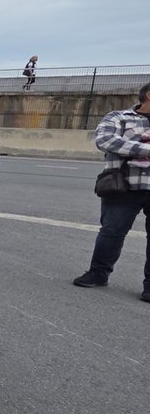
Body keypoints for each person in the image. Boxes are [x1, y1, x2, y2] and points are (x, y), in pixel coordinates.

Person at [72, 82, 150, 303]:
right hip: (123, 184)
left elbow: (121, 144)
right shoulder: (119, 117)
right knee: (111, 232)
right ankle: (98, 273)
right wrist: (146, 149)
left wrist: (131, 146)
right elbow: (106, 140)